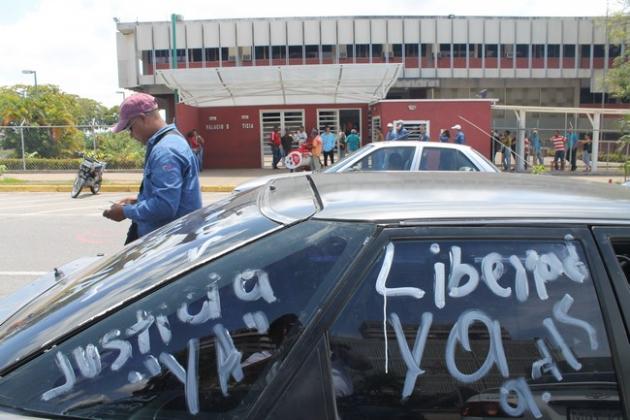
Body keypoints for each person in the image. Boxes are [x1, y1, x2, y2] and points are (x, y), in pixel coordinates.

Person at [103, 93, 202, 244]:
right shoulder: (172, 141)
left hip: (168, 245)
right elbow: (174, 195)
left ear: (143, 118)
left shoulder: (165, 151)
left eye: (130, 128)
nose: (131, 135)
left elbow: (165, 206)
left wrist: (125, 212)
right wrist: (137, 200)